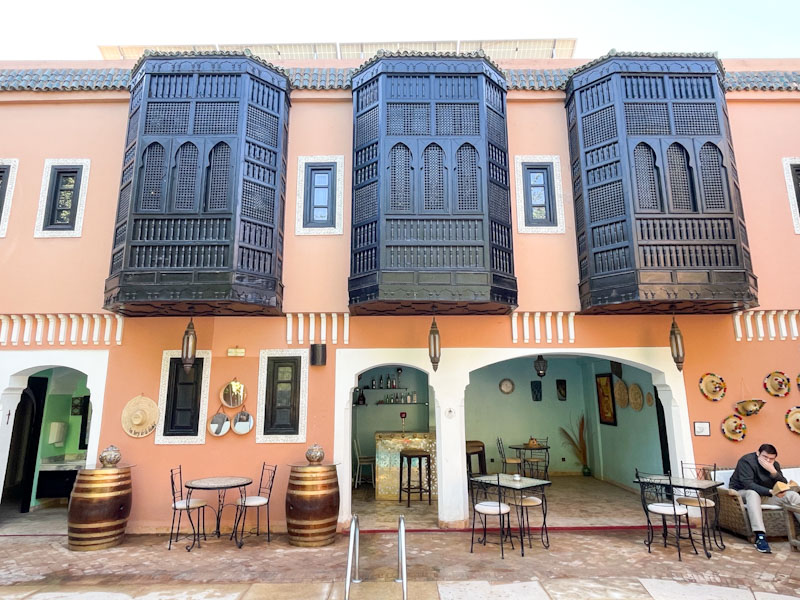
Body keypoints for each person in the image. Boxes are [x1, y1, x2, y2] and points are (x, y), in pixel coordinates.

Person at [729, 443, 800, 553]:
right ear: (758, 453)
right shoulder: (746, 461)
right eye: (765, 457)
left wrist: (773, 472)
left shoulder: (774, 465)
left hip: (765, 495)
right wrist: (771, 491)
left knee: (793, 495)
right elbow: (748, 484)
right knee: (752, 493)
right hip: (741, 494)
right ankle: (760, 536)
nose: (767, 460)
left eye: (771, 459)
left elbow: (783, 483)